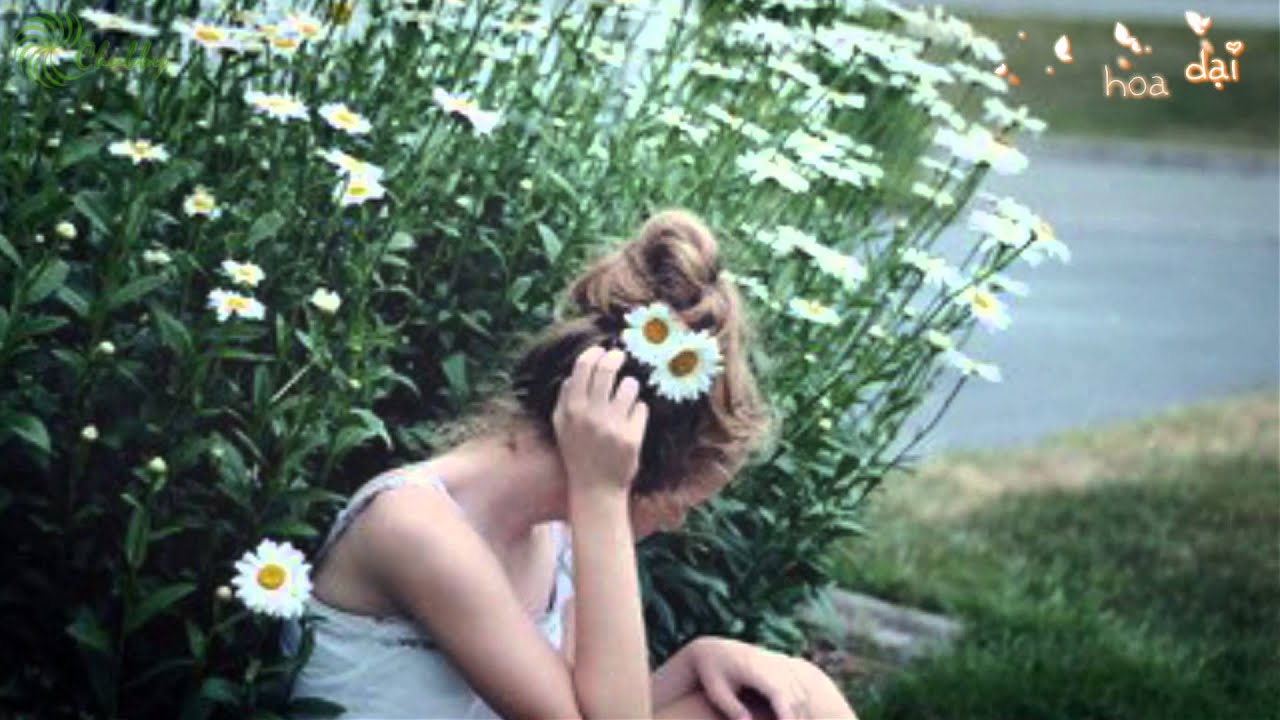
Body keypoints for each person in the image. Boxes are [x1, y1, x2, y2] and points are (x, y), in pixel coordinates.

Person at [280, 209, 859, 719]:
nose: (677, 521)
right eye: (682, 503)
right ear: (623, 454)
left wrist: (698, 659)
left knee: (791, 694)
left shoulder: (556, 533)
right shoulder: (414, 526)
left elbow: (594, 704)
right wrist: (602, 495)